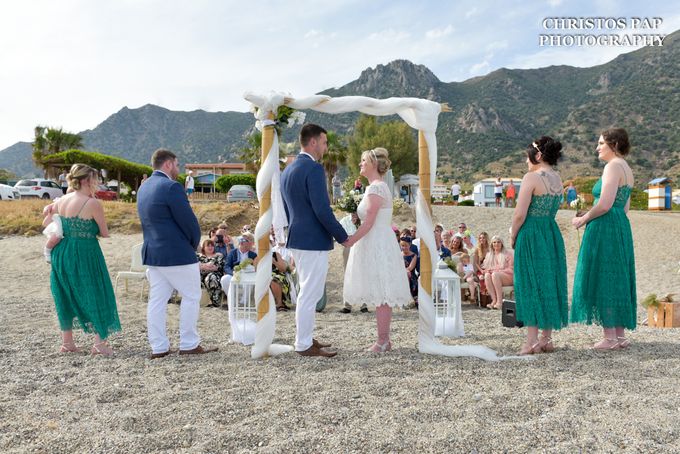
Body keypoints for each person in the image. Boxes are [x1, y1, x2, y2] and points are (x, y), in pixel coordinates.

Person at [137, 149, 217, 358]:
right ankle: (189, 344)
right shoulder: (171, 187)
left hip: (153, 254)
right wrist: (192, 244)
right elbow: (188, 222)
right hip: (176, 253)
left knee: (157, 300)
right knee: (191, 296)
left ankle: (159, 347)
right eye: (177, 164)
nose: (178, 169)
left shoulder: (143, 189)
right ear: (168, 164)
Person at [280, 123, 349, 358]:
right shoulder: (314, 169)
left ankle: (306, 337)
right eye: (324, 142)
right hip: (312, 240)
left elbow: (289, 210)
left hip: (297, 237)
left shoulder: (288, 170)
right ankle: (303, 344)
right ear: (313, 142)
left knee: (307, 291)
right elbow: (322, 209)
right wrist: (342, 236)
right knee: (309, 292)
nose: (326, 147)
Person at [571, 128, 636, 350]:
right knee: (617, 276)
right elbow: (623, 207)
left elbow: (605, 204)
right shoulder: (627, 168)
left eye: (601, 143)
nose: (597, 147)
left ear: (614, 144)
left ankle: (609, 338)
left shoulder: (612, 166)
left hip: (606, 226)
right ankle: (619, 335)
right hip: (619, 225)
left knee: (603, 276)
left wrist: (584, 219)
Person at [343, 147, 412, 352]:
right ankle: (383, 339)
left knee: (382, 290)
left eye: (363, 160)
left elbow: (370, 222)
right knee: (380, 289)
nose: (360, 164)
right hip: (377, 239)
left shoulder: (375, 189)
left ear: (373, 164)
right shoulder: (376, 187)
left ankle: (383, 340)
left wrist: (351, 239)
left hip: (376, 242)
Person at [49, 163, 120, 355]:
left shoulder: (62, 200)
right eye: (95, 179)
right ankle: (99, 343)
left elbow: (49, 219)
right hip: (85, 253)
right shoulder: (93, 203)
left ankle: (68, 343)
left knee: (65, 294)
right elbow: (104, 233)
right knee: (96, 291)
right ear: (87, 180)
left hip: (61, 251)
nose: (97, 182)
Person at [511, 136, 568, 355]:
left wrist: (513, 235)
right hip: (550, 232)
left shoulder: (531, 178)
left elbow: (519, 214)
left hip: (532, 232)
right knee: (549, 281)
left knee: (531, 283)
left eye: (528, 157)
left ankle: (532, 341)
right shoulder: (558, 178)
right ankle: (547, 338)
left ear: (537, 155)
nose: (526, 162)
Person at [339, 212, 368, 314]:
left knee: (363, 275)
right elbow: (339, 235)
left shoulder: (364, 220)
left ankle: (364, 304)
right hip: (349, 248)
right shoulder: (344, 220)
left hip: (362, 248)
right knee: (348, 274)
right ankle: (347, 305)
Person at [220, 234, 258, 299]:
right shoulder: (232, 253)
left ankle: (244, 301)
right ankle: (232, 299)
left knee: (248, 282)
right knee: (224, 279)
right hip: (235, 274)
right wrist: (233, 273)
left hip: (248, 276)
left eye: (252, 241)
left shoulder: (253, 255)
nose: (252, 243)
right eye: (250, 241)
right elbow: (226, 267)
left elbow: (256, 268)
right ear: (242, 242)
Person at [482, 236, 513, 310]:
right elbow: (485, 268)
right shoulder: (489, 255)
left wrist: (497, 271)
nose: (496, 244)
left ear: (502, 243)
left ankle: (500, 302)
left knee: (495, 274)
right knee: (487, 275)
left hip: (507, 276)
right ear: (492, 244)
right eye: (494, 242)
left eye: (498, 242)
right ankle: (494, 300)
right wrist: (488, 270)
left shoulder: (507, 254)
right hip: (494, 276)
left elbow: (511, 269)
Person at [197, 239, 226, 308]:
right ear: (203, 247)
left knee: (211, 277)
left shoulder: (218, 256)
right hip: (201, 276)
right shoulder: (199, 256)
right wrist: (208, 265)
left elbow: (217, 268)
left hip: (215, 276)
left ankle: (215, 302)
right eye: (208, 246)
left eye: (212, 246)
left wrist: (203, 266)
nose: (210, 247)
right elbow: (196, 266)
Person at [400, 236, 419, 306]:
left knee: (408, 274)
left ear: (410, 245)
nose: (404, 247)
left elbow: (410, 268)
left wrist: (406, 271)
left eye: (406, 245)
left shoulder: (414, 255)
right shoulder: (399, 255)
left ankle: (410, 297)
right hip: (400, 274)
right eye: (402, 245)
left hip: (411, 274)